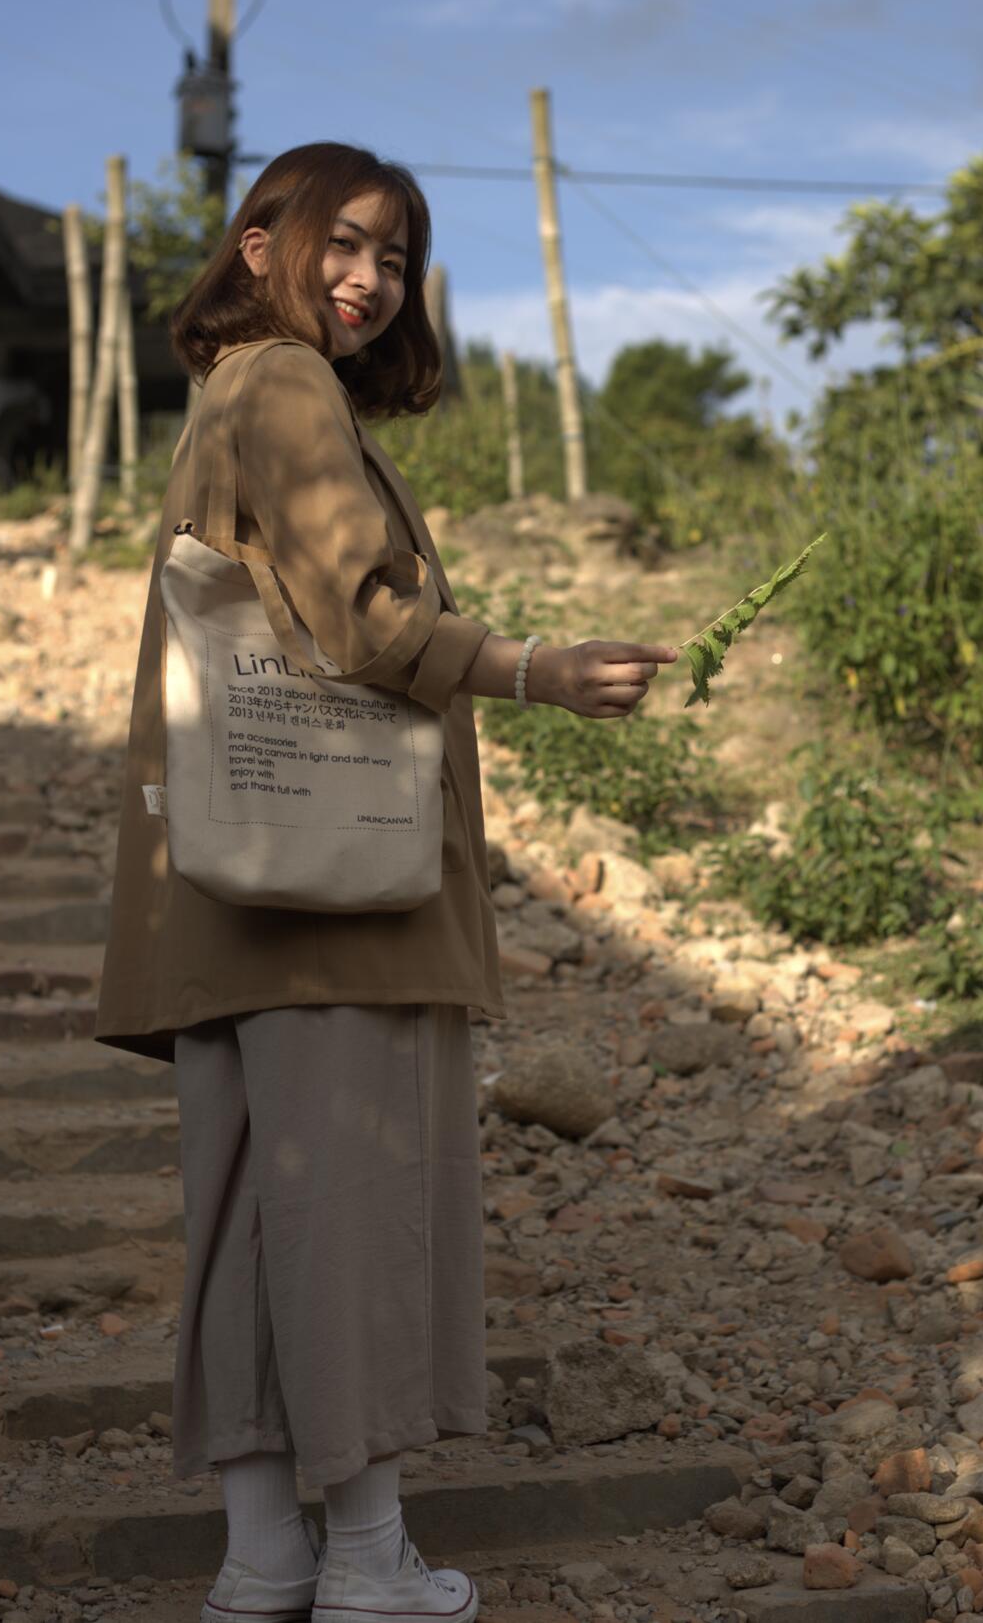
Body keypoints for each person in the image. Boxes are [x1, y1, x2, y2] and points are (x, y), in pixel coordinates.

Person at [92, 142, 678, 1623]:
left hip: (236, 895)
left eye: (393, 258)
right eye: (340, 244)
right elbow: (363, 614)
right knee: (352, 1211)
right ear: (253, 245)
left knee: (247, 1221)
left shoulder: (228, 394)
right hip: (332, 900)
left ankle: (262, 1557)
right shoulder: (283, 386)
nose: (365, 280)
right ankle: (366, 1561)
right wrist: (534, 667)